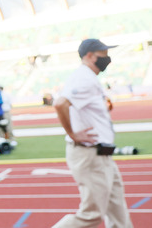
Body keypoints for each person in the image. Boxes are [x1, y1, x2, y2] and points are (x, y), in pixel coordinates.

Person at [52, 39, 133, 228]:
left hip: (102, 155)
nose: (108, 59)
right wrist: (72, 133)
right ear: (89, 56)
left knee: (117, 211)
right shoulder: (84, 78)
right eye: (103, 55)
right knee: (92, 215)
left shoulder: (88, 77)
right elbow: (60, 104)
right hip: (90, 155)